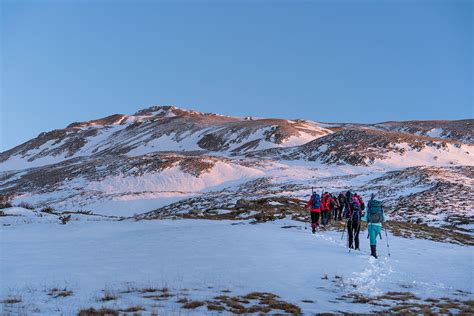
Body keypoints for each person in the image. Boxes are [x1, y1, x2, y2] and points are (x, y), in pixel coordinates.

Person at [362, 193, 386, 258]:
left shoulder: (369, 208)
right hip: (379, 226)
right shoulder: (380, 208)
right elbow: (384, 219)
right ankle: (373, 253)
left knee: (372, 239)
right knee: (374, 239)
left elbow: (365, 218)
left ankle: (373, 254)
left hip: (371, 225)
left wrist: (360, 217)